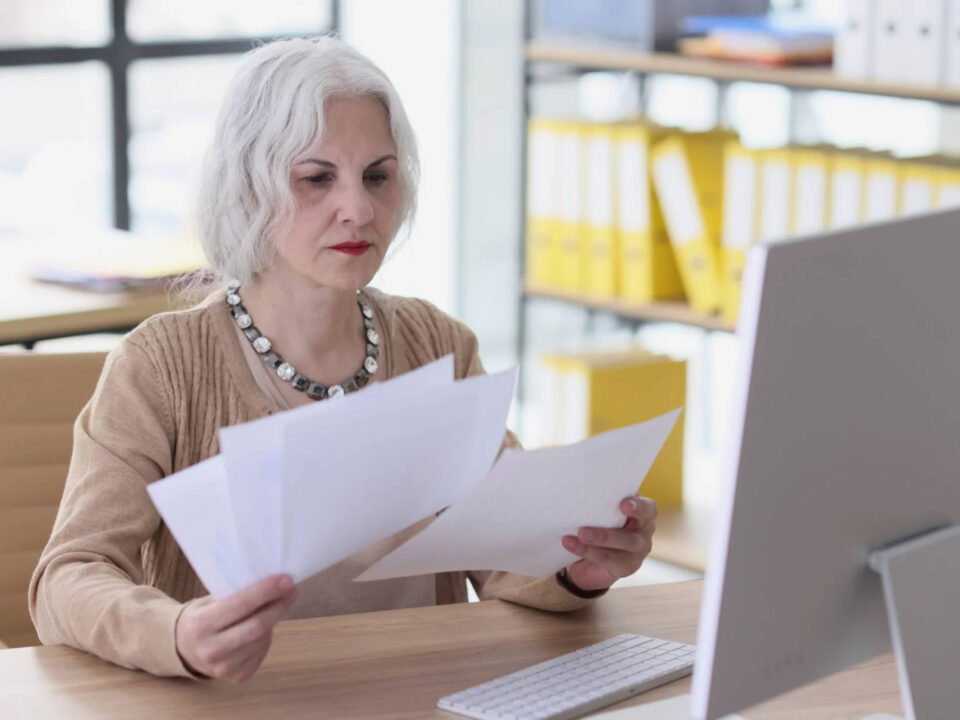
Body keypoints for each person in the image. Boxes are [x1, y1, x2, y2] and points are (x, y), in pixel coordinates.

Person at [28, 36, 658, 682]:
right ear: (247, 189)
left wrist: (577, 570)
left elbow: (503, 561)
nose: (358, 209)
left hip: (419, 694)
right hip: (239, 704)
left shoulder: (436, 344)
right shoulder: (160, 366)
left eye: (377, 176)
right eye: (316, 178)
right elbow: (67, 578)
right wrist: (177, 634)